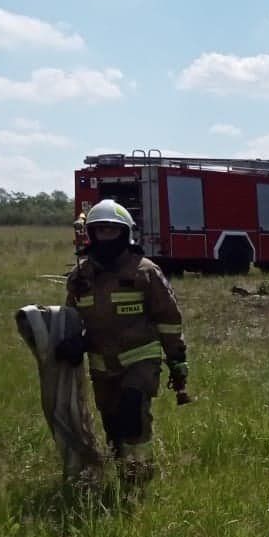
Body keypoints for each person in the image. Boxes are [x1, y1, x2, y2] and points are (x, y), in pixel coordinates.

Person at [57, 199, 188, 483]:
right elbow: (71, 317)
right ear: (91, 234)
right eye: (99, 230)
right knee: (113, 425)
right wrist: (74, 343)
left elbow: (168, 318)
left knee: (133, 412)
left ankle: (140, 477)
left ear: (125, 233)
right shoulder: (81, 277)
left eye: (111, 230)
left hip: (141, 359)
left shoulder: (145, 271)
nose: (105, 236)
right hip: (102, 367)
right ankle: (121, 472)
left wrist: (176, 360)